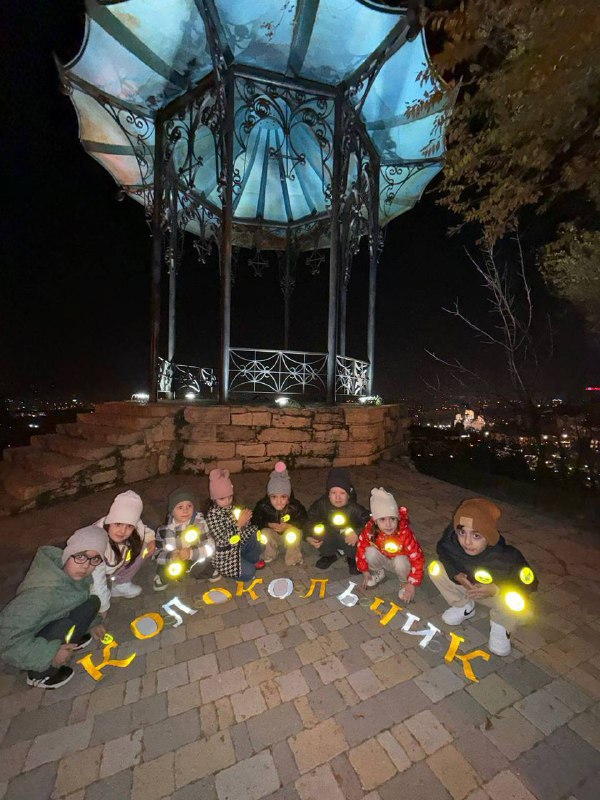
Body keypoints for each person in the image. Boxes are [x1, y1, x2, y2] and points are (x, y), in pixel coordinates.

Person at [0, 526, 108, 689]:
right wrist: (50, 654)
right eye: (80, 556)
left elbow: (75, 603)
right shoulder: (39, 597)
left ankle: (71, 638)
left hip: (48, 624)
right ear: (68, 554)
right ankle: (39, 676)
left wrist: (92, 624)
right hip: (28, 645)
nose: (86, 566)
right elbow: (4, 640)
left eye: (94, 559)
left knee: (92, 603)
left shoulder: (71, 574)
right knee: (64, 624)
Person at [430, 497, 538, 656]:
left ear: (489, 536)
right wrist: (456, 575)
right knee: (436, 568)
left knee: (517, 600)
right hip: (468, 590)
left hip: (495, 597)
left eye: (476, 536)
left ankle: (501, 624)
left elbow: (530, 583)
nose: (467, 542)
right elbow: (443, 553)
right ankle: (464, 606)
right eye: (462, 533)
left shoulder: (506, 557)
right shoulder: (451, 542)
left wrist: (495, 589)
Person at [92, 490, 156, 612]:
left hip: (115, 565)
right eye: (118, 524)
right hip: (92, 574)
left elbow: (143, 529)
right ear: (110, 521)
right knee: (94, 588)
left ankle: (120, 584)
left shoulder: (135, 524)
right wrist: (103, 607)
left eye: (129, 526)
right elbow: (97, 581)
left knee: (143, 548)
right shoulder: (96, 544)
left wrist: (151, 539)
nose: (123, 531)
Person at [357, 488, 424, 602]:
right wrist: (364, 570)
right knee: (369, 551)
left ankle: (404, 582)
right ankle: (378, 572)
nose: (388, 524)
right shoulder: (370, 530)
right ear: (375, 521)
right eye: (382, 519)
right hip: (384, 559)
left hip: (401, 565)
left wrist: (412, 583)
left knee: (400, 560)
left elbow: (417, 558)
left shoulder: (404, 533)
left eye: (392, 519)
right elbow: (361, 547)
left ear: (397, 518)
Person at [306, 467, 369, 575]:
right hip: (330, 535)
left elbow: (368, 521)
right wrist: (308, 536)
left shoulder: (354, 508)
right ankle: (329, 555)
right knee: (319, 530)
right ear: (328, 494)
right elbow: (310, 520)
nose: (338, 497)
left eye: (342, 493)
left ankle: (352, 557)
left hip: (348, 538)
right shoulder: (321, 505)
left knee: (352, 535)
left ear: (348, 495)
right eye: (333, 492)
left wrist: (357, 532)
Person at [153, 487, 217, 591]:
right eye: (180, 507)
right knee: (166, 569)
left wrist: (191, 553)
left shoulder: (200, 524)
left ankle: (207, 571)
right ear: (172, 511)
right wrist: (170, 556)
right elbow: (157, 553)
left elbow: (210, 546)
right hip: (175, 561)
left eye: (189, 506)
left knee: (205, 563)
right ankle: (163, 577)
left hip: (195, 558)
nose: (185, 510)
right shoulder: (163, 530)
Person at [206, 468, 264, 581]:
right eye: (222, 498)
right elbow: (222, 542)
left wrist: (246, 521)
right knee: (250, 573)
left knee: (254, 533)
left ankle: (251, 559)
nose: (227, 501)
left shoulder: (231, 508)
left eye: (230, 497)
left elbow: (242, 530)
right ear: (214, 499)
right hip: (225, 556)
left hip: (237, 546)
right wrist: (238, 524)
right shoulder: (212, 515)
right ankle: (226, 569)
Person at [252, 461, 306, 566]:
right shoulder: (263, 506)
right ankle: (270, 553)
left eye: (283, 497)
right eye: (274, 497)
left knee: (295, 532)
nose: (279, 501)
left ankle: (293, 557)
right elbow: (255, 521)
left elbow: (304, 520)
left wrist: (289, 525)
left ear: (288, 498)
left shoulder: (294, 506)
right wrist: (268, 524)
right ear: (269, 497)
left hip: (288, 535)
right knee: (264, 532)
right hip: (273, 535)